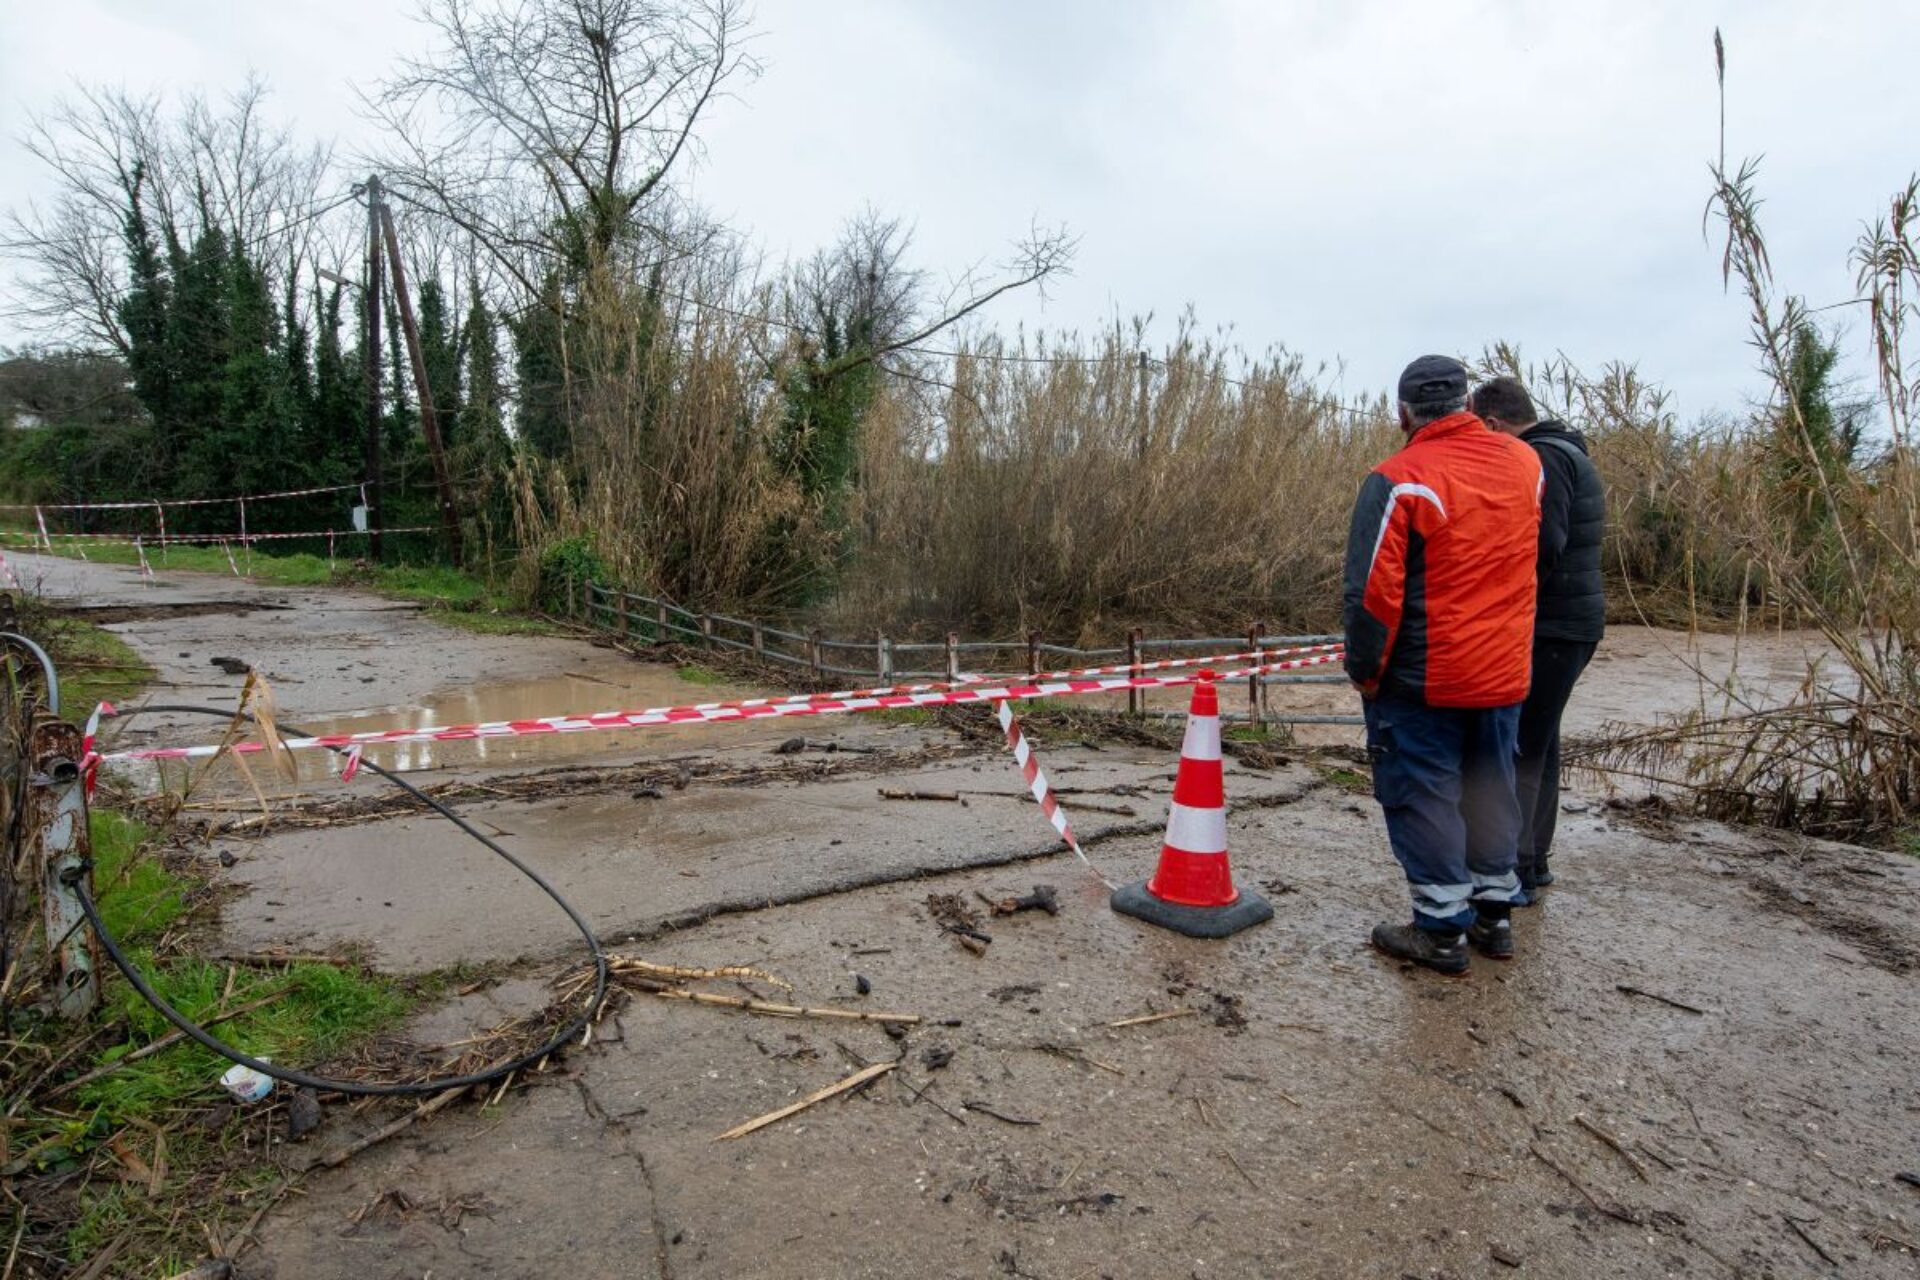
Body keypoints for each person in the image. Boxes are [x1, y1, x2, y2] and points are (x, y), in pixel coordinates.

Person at [1342, 355, 1542, 974]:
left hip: (1424, 678)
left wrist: (1366, 674)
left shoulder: (1399, 479)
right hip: (1504, 672)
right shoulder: (1527, 465)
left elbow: (1371, 593)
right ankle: (1494, 915)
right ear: (1466, 404)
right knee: (1492, 786)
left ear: (1402, 413)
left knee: (1422, 793)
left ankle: (1440, 929)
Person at [1469, 376, 1606, 899]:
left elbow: (1544, 543)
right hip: (1572, 622)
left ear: (1495, 424)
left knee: (1521, 742)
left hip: (1551, 622)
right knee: (1543, 740)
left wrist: (1505, 602)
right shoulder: (1566, 450)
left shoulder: (1542, 459)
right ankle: (1536, 860)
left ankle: (1515, 870)